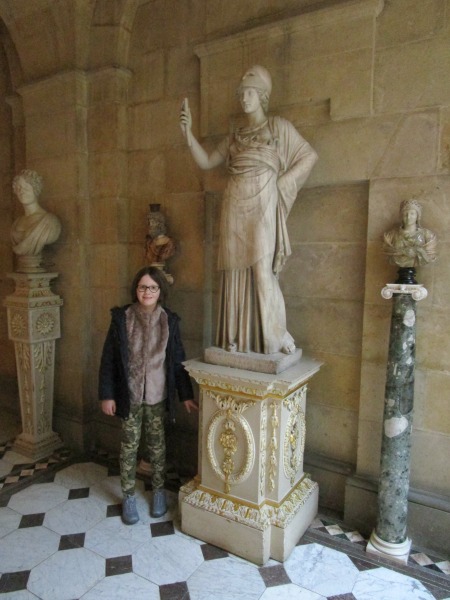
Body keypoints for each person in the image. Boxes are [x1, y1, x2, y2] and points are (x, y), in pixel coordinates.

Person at [179, 66, 317, 355]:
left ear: (262, 96)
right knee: (234, 273)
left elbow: (308, 157)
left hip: (264, 202)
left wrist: (283, 182)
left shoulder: (278, 127)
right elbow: (206, 162)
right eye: (241, 94)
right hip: (234, 204)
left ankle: (275, 335)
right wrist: (188, 133)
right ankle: (236, 339)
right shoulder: (235, 136)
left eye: (250, 93)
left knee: (262, 271)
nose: (244, 98)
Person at [99, 266, 197, 524]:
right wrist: (107, 395)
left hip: (157, 395)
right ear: (136, 290)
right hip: (128, 396)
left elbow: (178, 359)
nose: (147, 292)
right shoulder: (122, 318)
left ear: (160, 291)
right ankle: (129, 495)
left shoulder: (169, 320)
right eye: (143, 287)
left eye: (153, 287)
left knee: (157, 447)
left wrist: (186, 395)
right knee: (129, 447)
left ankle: (158, 492)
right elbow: (109, 358)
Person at [11, 170, 61, 271]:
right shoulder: (16, 223)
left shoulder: (50, 222)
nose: (22, 192)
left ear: (36, 189)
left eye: (26, 188)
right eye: (19, 188)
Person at [383, 198, 437, 268]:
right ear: (401, 216)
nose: (408, 217)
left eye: (412, 214)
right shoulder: (390, 236)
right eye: (405, 214)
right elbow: (388, 250)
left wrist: (417, 251)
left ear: (417, 216)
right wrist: (404, 251)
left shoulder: (428, 235)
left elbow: (430, 253)